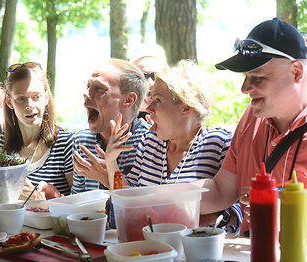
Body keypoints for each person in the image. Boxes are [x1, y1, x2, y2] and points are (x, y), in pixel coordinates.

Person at [193, 18, 307, 247]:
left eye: (258, 77)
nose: (244, 89)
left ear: (296, 72)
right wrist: (156, 198)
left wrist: (289, 217)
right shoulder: (251, 118)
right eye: (245, 77)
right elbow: (222, 190)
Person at [100, 60, 242, 233]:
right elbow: (129, 196)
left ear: (186, 108)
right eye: (150, 99)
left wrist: (218, 219)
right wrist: (111, 161)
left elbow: (242, 206)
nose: (148, 108)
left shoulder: (219, 143)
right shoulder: (150, 142)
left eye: (157, 100)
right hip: (150, 246)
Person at [0, 62, 74, 199]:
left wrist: (46, 199)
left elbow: (80, 208)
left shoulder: (66, 143)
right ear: (9, 101)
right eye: (20, 98)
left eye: (36, 96)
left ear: (46, 97)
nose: (29, 105)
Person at [71, 58, 150, 194]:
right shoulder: (82, 141)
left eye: (99, 88)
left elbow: (145, 205)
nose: (86, 93)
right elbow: (77, 203)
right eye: (88, 86)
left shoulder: (149, 142)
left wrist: (105, 177)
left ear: (128, 100)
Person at [131, 44, 168, 121]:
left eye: (156, 76)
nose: (150, 83)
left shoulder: (180, 117)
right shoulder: (115, 117)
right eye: (142, 76)